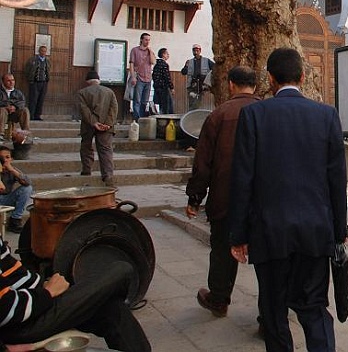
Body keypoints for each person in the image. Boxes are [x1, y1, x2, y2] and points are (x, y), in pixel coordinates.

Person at [228, 48, 347, 352]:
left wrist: (238, 235)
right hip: (315, 231)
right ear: (303, 76)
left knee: (273, 310)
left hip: (269, 232)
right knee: (314, 306)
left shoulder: (254, 114)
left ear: (270, 79)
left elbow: (242, 180)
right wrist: (339, 230)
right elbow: (337, 179)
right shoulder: (326, 115)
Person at [185, 66, 260, 318]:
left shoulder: (218, 115)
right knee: (266, 256)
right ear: (256, 86)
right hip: (262, 199)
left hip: (225, 196)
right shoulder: (267, 112)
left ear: (230, 85)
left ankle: (219, 299)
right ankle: (269, 312)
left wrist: (195, 198)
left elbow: (202, 163)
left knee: (221, 249)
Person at [0, 240, 151, 351]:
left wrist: (44, 285)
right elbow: (6, 310)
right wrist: (48, 292)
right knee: (121, 270)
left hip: (30, 310)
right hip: (19, 327)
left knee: (112, 308)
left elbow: (15, 274)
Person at [77, 70, 118, 187]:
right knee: (105, 150)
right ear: (98, 80)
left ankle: (86, 170)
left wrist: (94, 122)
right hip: (106, 126)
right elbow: (114, 109)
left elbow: (83, 110)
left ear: (87, 82)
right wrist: (108, 124)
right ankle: (108, 176)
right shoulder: (109, 92)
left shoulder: (82, 93)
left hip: (88, 126)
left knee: (86, 147)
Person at [0, 145, 32, 233]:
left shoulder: (12, 170)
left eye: (7, 157)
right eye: (2, 158)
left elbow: (28, 182)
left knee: (27, 189)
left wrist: (12, 171)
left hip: (6, 199)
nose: (5, 160)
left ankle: (15, 219)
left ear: (11, 159)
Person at [128, 32, 156, 120]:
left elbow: (153, 62)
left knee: (145, 101)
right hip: (139, 78)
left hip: (148, 78)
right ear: (141, 40)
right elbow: (131, 64)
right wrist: (133, 77)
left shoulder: (150, 51)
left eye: (149, 40)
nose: (147, 42)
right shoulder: (134, 50)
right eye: (146, 40)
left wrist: (150, 51)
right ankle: (137, 119)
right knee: (137, 100)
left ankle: (143, 119)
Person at [182, 44, 214, 110]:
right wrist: (186, 66)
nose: (196, 52)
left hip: (202, 86)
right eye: (194, 51)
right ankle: (191, 116)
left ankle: (194, 115)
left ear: (200, 51)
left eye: (197, 50)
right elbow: (183, 72)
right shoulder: (189, 62)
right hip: (192, 85)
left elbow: (214, 68)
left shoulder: (207, 61)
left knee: (197, 103)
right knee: (192, 103)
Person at [24, 45, 49, 121]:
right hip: (34, 82)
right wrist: (30, 79)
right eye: (42, 51)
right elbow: (27, 70)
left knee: (41, 99)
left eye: (45, 51)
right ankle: (31, 115)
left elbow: (48, 71)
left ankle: (37, 115)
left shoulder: (47, 61)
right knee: (33, 99)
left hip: (43, 82)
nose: (43, 53)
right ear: (39, 51)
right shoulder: (32, 60)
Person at [152, 48, 174, 115]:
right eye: (167, 54)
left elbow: (153, 75)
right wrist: (171, 87)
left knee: (159, 104)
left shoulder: (156, 64)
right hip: (163, 87)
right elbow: (167, 77)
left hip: (156, 87)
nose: (168, 55)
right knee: (167, 105)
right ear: (163, 54)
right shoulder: (164, 64)